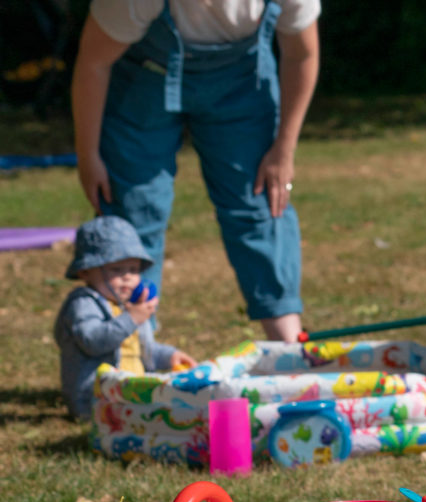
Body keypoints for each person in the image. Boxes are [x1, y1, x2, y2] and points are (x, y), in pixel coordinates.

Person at [70, 0, 321, 342]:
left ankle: (288, 340)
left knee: (260, 198)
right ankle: (133, 347)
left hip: (243, 83)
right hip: (146, 80)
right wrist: (89, 155)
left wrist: (283, 150)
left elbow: (302, 55)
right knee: (134, 207)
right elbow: (94, 63)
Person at [54, 216, 198, 420]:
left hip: (133, 393)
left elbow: (141, 350)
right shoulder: (83, 304)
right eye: (116, 269)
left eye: (133, 269)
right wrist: (131, 318)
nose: (127, 277)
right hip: (97, 399)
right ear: (85, 272)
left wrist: (169, 356)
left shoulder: (128, 306)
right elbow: (93, 342)